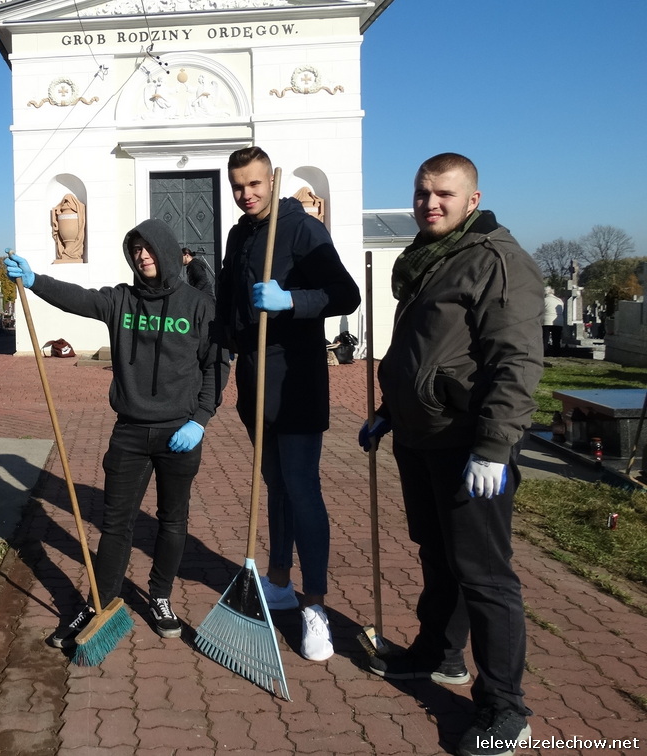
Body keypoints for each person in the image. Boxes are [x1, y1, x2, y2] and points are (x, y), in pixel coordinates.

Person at [360, 153, 543, 756]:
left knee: (485, 575)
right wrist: (389, 410)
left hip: (468, 445)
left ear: (472, 199)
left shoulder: (496, 262)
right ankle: (439, 655)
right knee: (437, 555)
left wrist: (493, 447)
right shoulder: (430, 257)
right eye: (422, 193)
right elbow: (426, 350)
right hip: (420, 437)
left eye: (443, 193)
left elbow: (516, 362)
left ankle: (505, 707)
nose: (430, 203)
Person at [4, 218, 224, 645]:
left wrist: (200, 419)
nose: (142, 256)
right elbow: (79, 298)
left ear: (166, 250)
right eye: (136, 249)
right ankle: (100, 604)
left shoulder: (199, 305)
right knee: (116, 524)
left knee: (172, 520)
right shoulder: (121, 300)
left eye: (149, 248)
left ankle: (160, 596)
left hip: (180, 432)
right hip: (130, 433)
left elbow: (216, 365)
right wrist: (34, 281)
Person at [214, 146, 360, 662]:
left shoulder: (302, 230)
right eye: (237, 186)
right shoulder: (239, 234)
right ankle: (278, 580)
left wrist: (292, 301)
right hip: (255, 380)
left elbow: (345, 294)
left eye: (254, 184)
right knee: (273, 483)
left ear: (272, 182)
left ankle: (315, 604)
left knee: (301, 487)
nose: (246, 194)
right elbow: (228, 303)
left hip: (296, 379)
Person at [542, 286, 564, 356]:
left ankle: (544, 352)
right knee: (556, 339)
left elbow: (540, 310)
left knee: (545, 338)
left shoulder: (544, 300)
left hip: (547, 321)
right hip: (559, 322)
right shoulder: (559, 300)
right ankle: (556, 353)